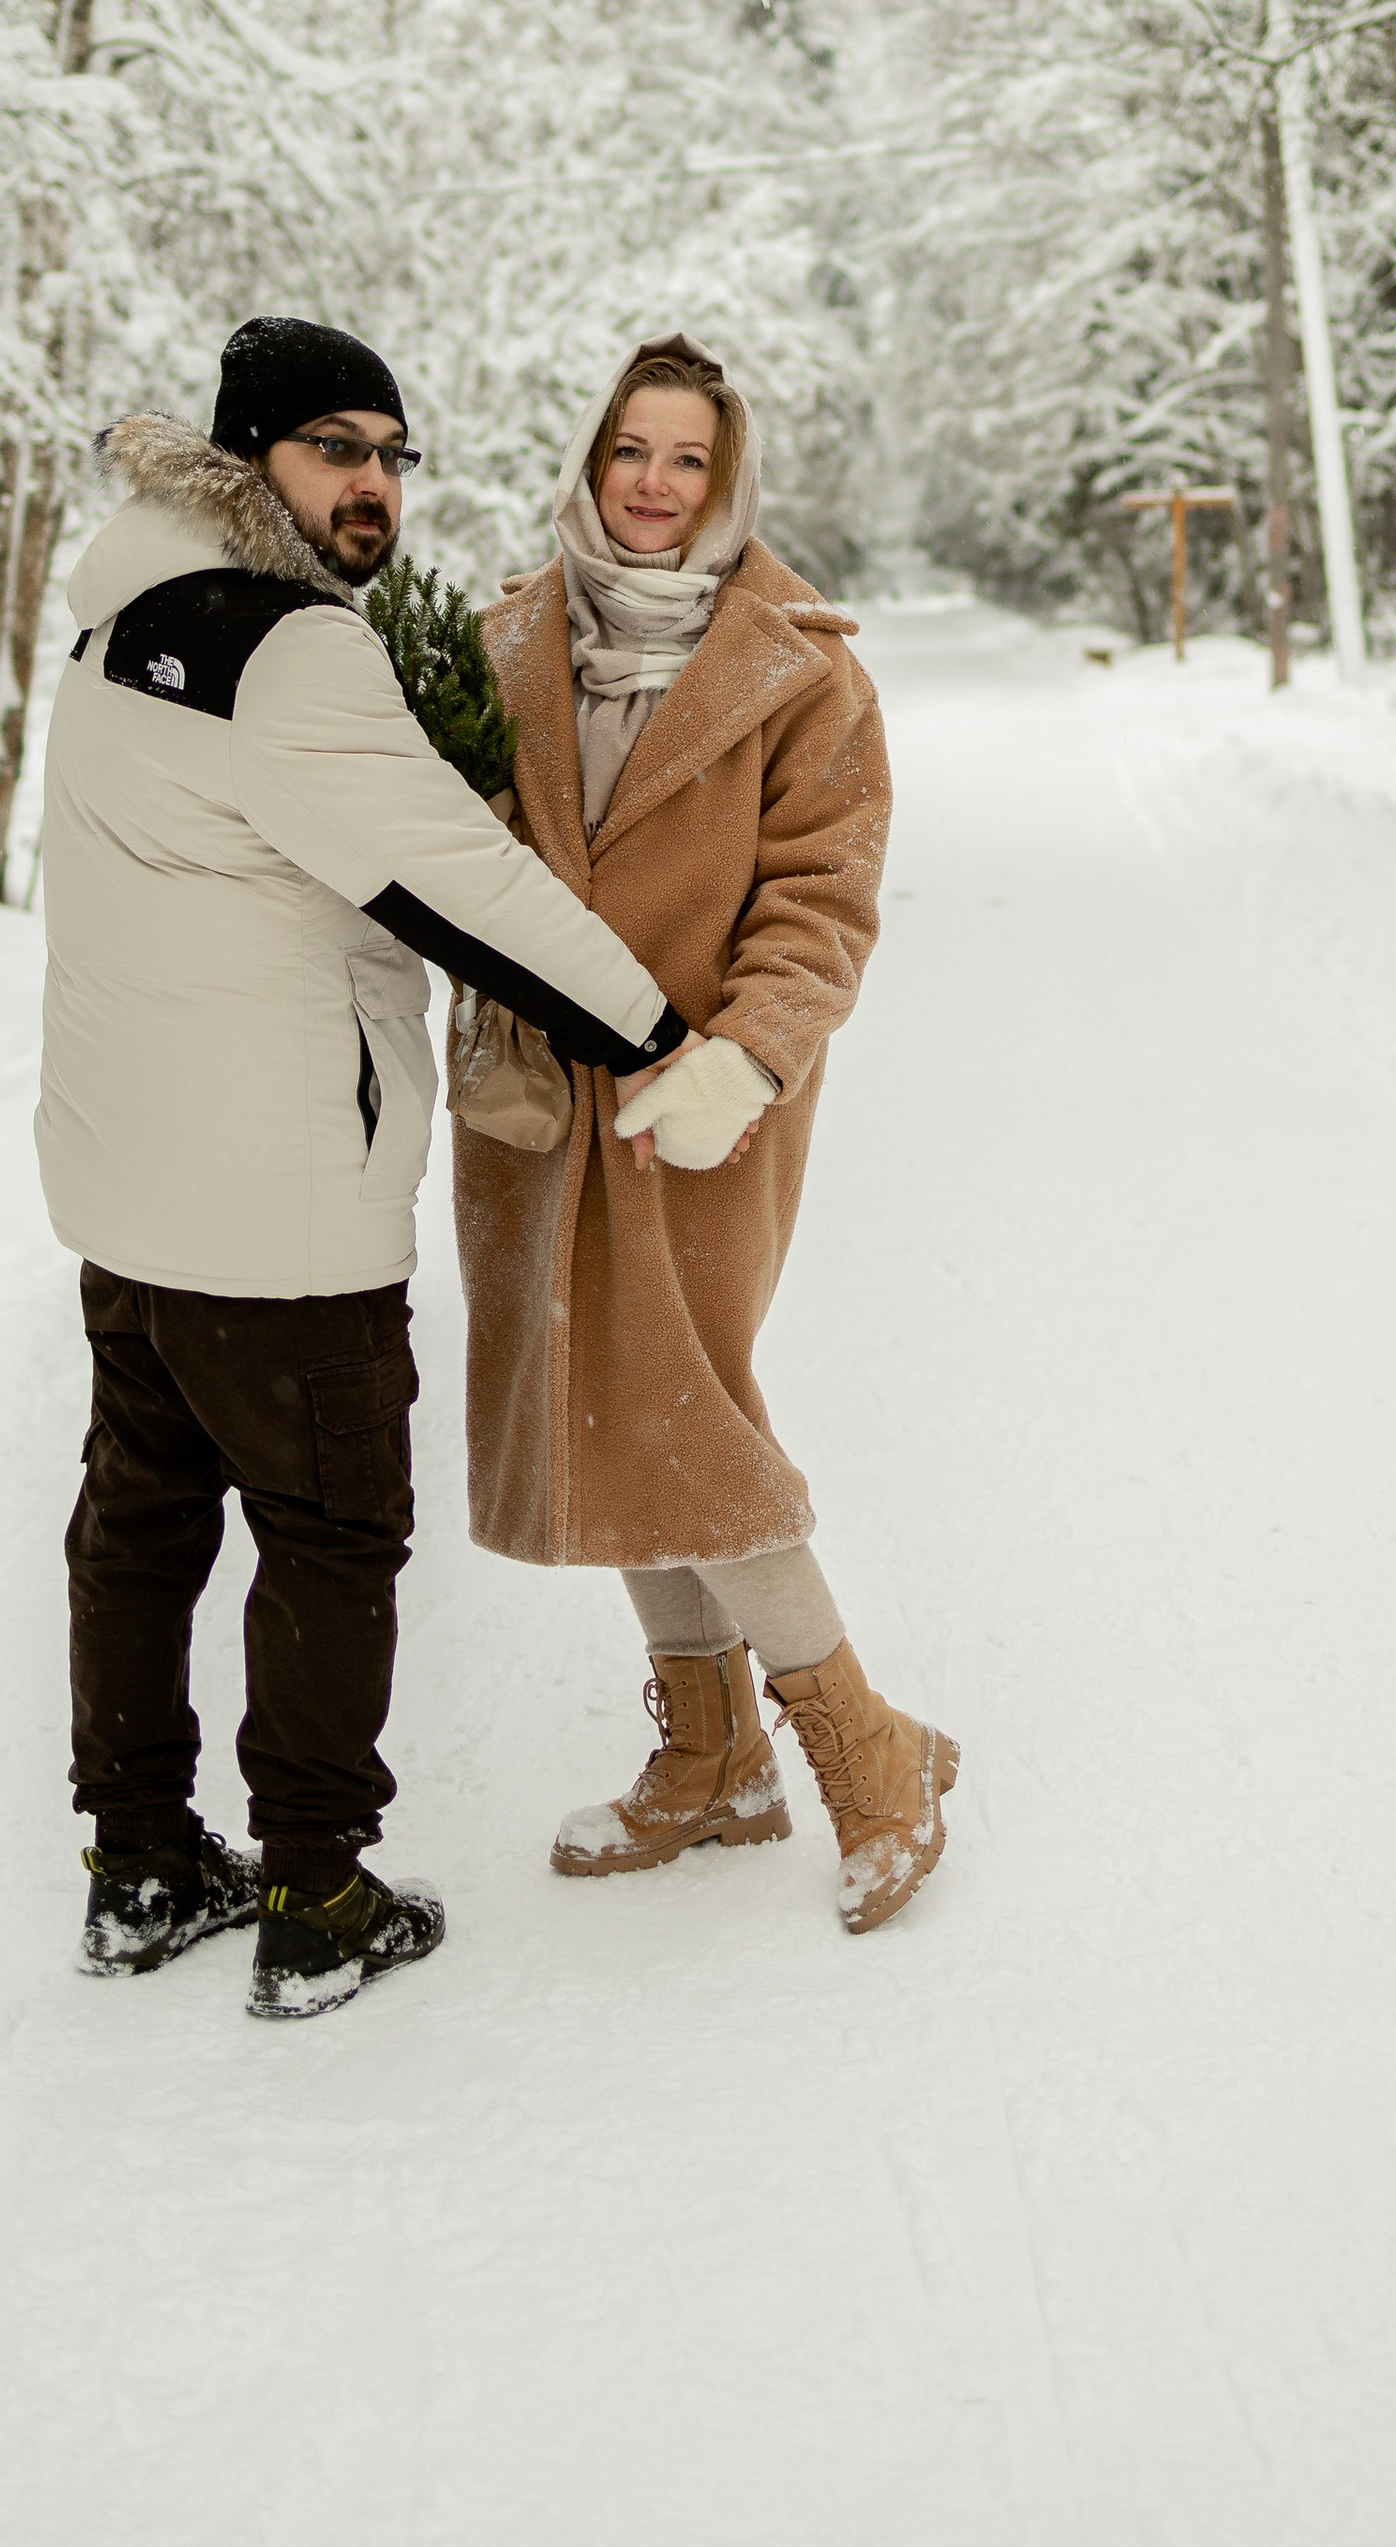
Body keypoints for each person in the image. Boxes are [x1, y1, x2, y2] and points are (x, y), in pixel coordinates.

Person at [37, 315, 692, 2020]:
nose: (375, 485)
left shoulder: (119, 615)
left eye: (398, 454)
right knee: (333, 1533)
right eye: (338, 448)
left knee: (140, 1524)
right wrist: (656, 1037)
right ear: (250, 453)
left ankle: (140, 1866)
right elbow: (457, 882)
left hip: (130, 1182)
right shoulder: (289, 652)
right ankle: (318, 1894)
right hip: (281, 1201)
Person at [453, 332, 957, 1935]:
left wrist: (747, 1059)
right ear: (590, 463)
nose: (657, 487)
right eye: (632, 453)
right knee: (602, 1420)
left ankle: (868, 1749)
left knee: (690, 1417)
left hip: (701, 1109)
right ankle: (717, 1757)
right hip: (538, 1109)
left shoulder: (801, 668)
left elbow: (824, 898)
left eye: (690, 461)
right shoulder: (498, 643)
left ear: (727, 482)